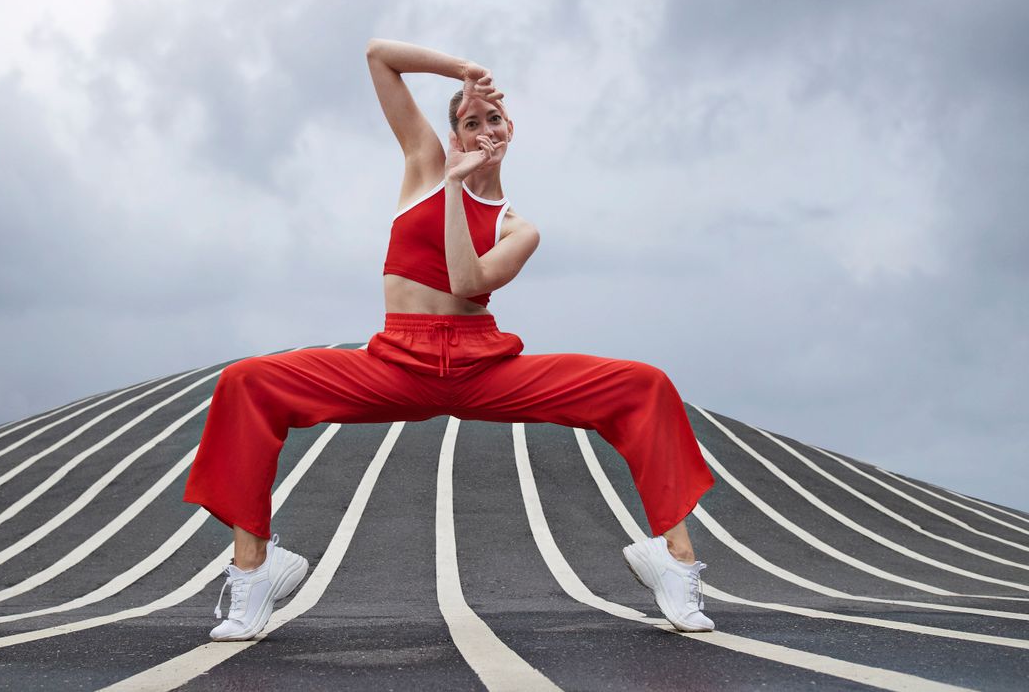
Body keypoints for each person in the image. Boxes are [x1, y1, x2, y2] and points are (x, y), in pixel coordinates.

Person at [183, 38, 717, 641]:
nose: (483, 129)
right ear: (454, 134)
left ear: (510, 130)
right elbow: (378, 56)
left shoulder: (519, 228)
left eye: (493, 119)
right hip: (396, 359)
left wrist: (464, 189)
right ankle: (255, 569)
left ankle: (674, 561)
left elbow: (467, 279)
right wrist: (462, 71)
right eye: (469, 121)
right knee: (247, 382)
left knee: (643, 385)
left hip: (480, 364)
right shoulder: (422, 165)